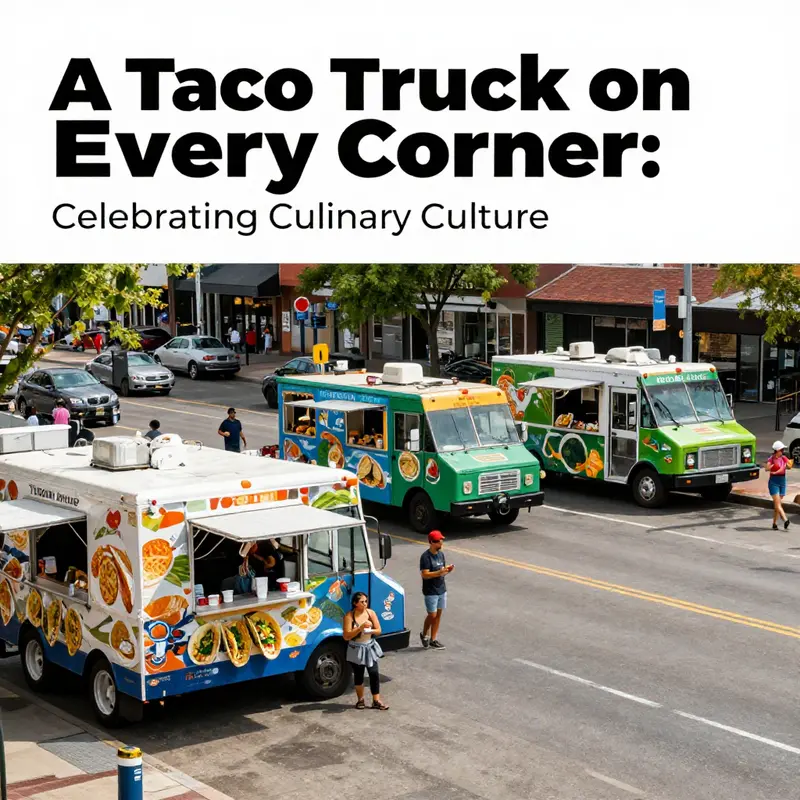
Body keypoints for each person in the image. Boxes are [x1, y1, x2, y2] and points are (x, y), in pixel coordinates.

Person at [343, 592, 388, 710]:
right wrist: (360, 628)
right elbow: (346, 636)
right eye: (362, 602)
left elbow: (379, 630)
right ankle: (360, 700)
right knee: (358, 675)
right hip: (356, 648)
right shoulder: (349, 616)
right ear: (355, 603)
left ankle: (376, 700)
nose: (365, 604)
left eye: (366, 601)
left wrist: (370, 630)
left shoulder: (370, 613)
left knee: (374, 673)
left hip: (369, 646)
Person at [419, 530, 453, 650]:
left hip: (441, 589)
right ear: (432, 542)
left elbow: (442, 570)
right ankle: (424, 634)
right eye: (439, 541)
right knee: (432, 615)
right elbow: (425, 574)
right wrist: (439, 572)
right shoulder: (426, 557)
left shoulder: (441, 554)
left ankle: (433, 639)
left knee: (438, 615)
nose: (441, 542)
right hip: (430, 590)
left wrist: (446, 570)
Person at [767, 440, 792, 530]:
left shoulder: (783, 458)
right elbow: (767, 467)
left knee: (777, 505)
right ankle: (785, 519)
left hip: (782, 482)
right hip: (773, 482)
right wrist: (769, 467)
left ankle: (774, 524)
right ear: (777, 450)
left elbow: (790, 466)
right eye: (781, 450)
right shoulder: (771, 459)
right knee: (778, 504)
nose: (783, 451)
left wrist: (787, 465)